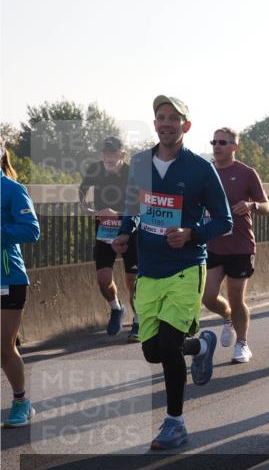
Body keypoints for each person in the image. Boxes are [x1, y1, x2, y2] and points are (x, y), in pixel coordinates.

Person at [112, 95, 233, 450]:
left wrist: (192, 233)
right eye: (160, 117)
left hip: (185, 267)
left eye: (173, 118)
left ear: (186, 126)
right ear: (155, 124)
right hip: (149, 269)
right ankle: (200, 344)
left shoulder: (199, 168)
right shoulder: (139, 163)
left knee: (166, 345)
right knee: (152, 351)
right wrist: (124, 230)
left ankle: (175, 423)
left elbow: (224, 220)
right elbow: (132, 206)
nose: (166, 123)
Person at [202, 128, 269, 364]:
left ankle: (242, 343)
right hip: (212, 244)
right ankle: (228, 316)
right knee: (208, 297)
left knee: (235, 295)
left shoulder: (246, 173)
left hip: (240, 246)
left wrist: (252, 206)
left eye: (222, 142)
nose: (217, 146)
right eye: (214, 142)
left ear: (234, 146)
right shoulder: (205, 172)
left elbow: (267, 206)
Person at [79, 136, 140, 340]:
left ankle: (139, 320)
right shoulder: (95, 169)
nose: (108, 157)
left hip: (131, 231)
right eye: (105, 153)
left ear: (122, 154)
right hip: (104, 231)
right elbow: (83, 188)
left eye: (113, 153)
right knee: (103, 279)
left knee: (133, 280)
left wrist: (117, 213)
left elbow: (141, 205)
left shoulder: (132, 173)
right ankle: (116, 308)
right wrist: (83, 203)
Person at [1, 143, 40, 427]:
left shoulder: (12, 189)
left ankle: (21, 401)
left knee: (3, 346)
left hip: (8, 278)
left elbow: (31, 230)